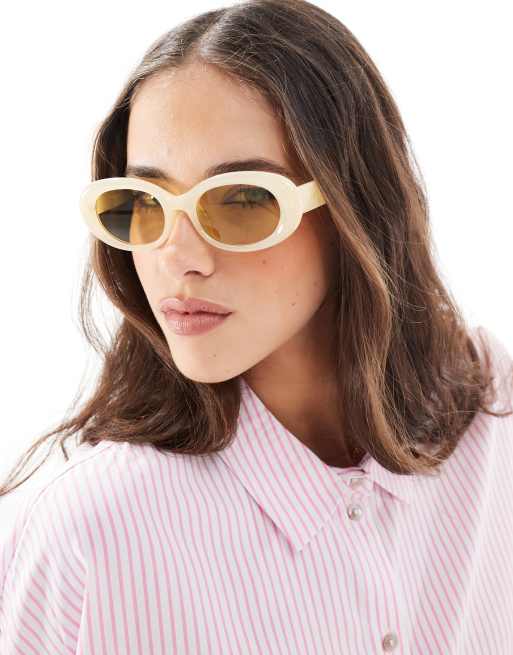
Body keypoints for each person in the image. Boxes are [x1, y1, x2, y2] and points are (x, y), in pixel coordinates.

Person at [1, 1, 512, 653]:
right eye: (144, 202)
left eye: (241, 200)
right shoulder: (89, 532)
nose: (178, 258)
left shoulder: (492, 413)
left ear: (352, 207)